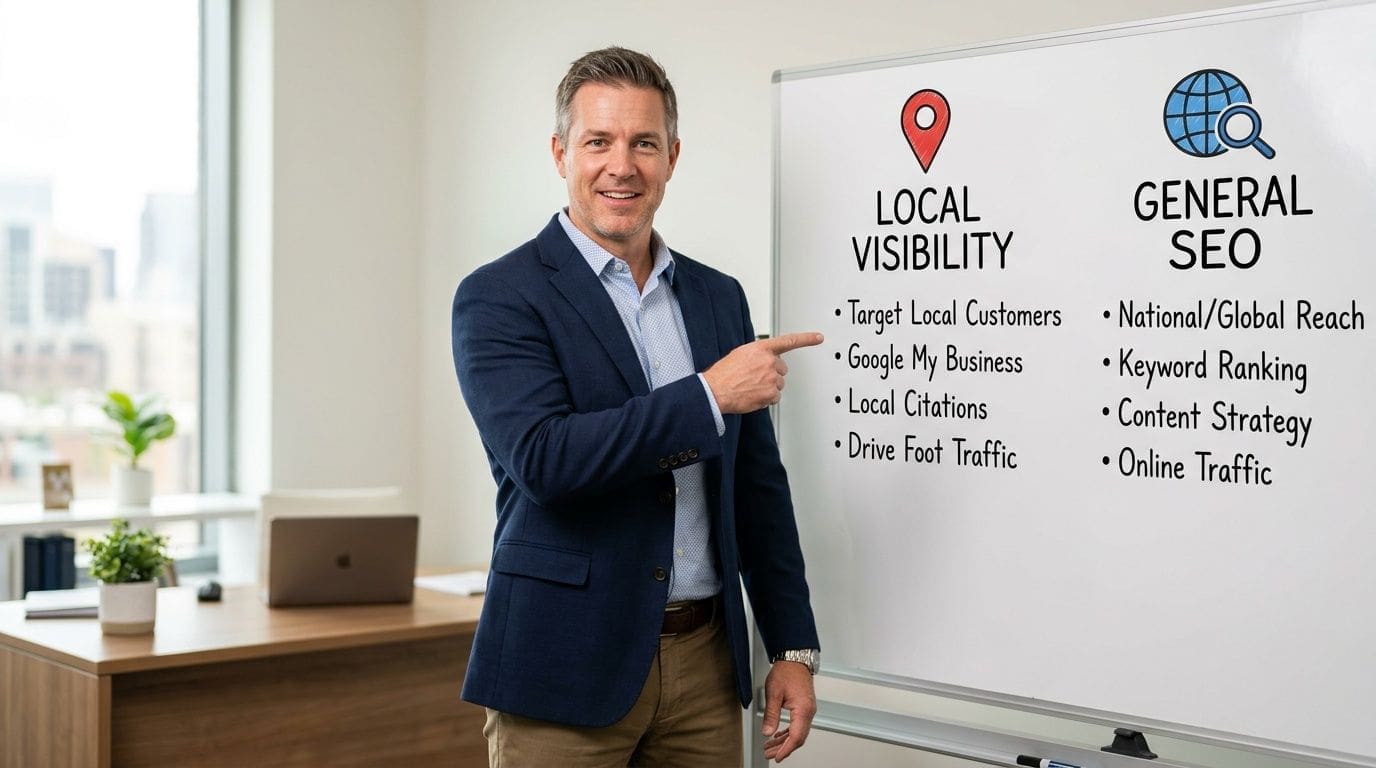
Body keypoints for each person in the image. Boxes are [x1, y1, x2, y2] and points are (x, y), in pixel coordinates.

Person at [451, 46, 822, 767]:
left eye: (643, 143)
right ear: (562, 153)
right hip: (564, 668)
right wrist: (710, 395)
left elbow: (757, 489)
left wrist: (792, 645)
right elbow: (546, 459)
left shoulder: (718, 296)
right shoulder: (499, 296)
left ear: (672, 157)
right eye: (599, 141)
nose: (622, 165)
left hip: (706, 670)